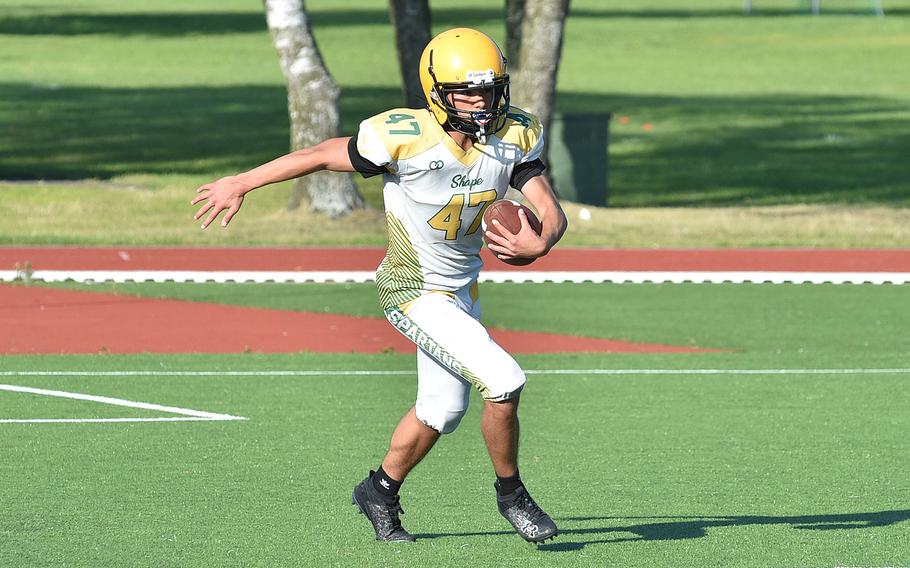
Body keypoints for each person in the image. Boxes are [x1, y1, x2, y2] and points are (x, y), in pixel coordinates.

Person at [191, 27, 567, 543]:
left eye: (488, 89)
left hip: (462, 291)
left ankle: (379, 491)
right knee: (503, 382)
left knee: (441, 410)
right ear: (436, 91)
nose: (480, 102)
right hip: (412, 290)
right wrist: (240, 182)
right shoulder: (403, 135)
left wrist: (544, 239)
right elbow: (322, 153)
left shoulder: (514, 133)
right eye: (466, 91)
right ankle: (513, 495)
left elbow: (547, 203)